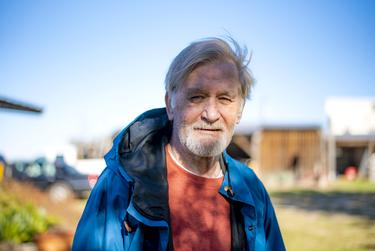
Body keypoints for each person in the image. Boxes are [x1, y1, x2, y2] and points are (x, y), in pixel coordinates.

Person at [72, 37, 285, 251]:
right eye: (197, 97)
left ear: (239, 111)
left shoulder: (251, 188)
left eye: (224, 99)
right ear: (170, 104)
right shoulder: (120, 184)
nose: (211, 114)